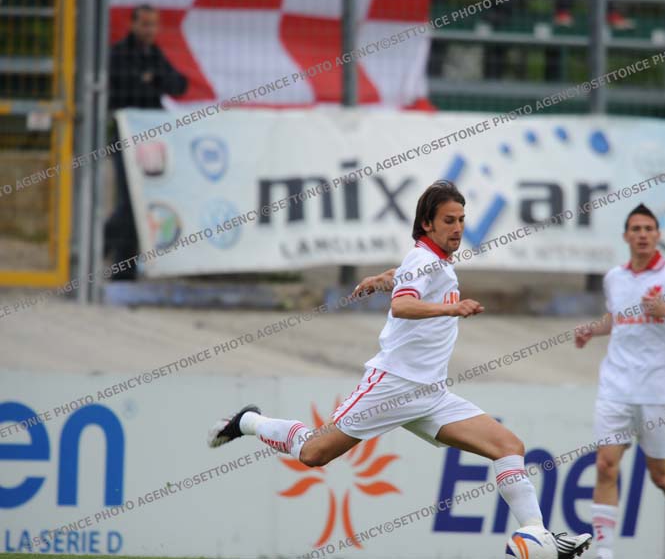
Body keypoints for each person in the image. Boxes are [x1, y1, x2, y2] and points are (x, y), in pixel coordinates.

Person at [208, 181, 592, 558]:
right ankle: (248, 421)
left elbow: (409, 275)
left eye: (461, 219)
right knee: (313, 453)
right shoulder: (425, 260)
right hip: (391, 387)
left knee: (509, 447)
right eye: (449, 220)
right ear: (427, 223)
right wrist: (450, 308)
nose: (458, 228)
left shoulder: (430, 260)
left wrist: (382, 278)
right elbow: (402, 305)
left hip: (431, 394)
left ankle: (538, 535)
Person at [574, 204, 665, 559]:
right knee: (605, 465)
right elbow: (618, 318)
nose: (642, 235)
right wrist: (592, 330)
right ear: (626, 236)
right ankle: (604, 553)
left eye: (648, 229)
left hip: (657, 390)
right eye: (635, 229)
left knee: (662, 478)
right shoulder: (614, 277)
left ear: (658, 235)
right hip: (615, 386)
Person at [105, 4, 187, 279]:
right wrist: (152, 82)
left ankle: (102, 244)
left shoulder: (154, 54)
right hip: (125, 138)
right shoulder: (119, 53)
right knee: (130, 201)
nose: (150, 30)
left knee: (140, 200)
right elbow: (129, 89)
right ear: (133, 24)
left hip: (151, 140)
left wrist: (154, 78)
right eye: (145, 24)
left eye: (153, 25)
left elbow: (179, 84)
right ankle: (121, 269)